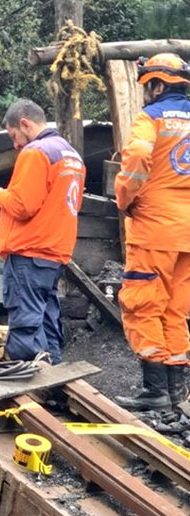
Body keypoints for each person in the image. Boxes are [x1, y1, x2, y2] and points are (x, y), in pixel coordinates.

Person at [0, 99, 85, 364]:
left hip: (29, 253)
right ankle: (56, 385)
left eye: (14, 135)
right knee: (47, 320)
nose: (15, 144)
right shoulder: (71, 155)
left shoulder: (36, 152)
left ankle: (30, 387)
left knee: (25, 322)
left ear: (24, 124)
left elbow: (23, 205)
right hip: (54, 254)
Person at [114, 53, 190, 411]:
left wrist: (125, 199)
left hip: (154, 228)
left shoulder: (151, 118)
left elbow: (138, 155)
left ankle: (155, 391)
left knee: (143, 303)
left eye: (147, 86)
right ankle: (178, 393)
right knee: (176, 309)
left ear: (158, 84)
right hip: (187, 234)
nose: (145, 92)